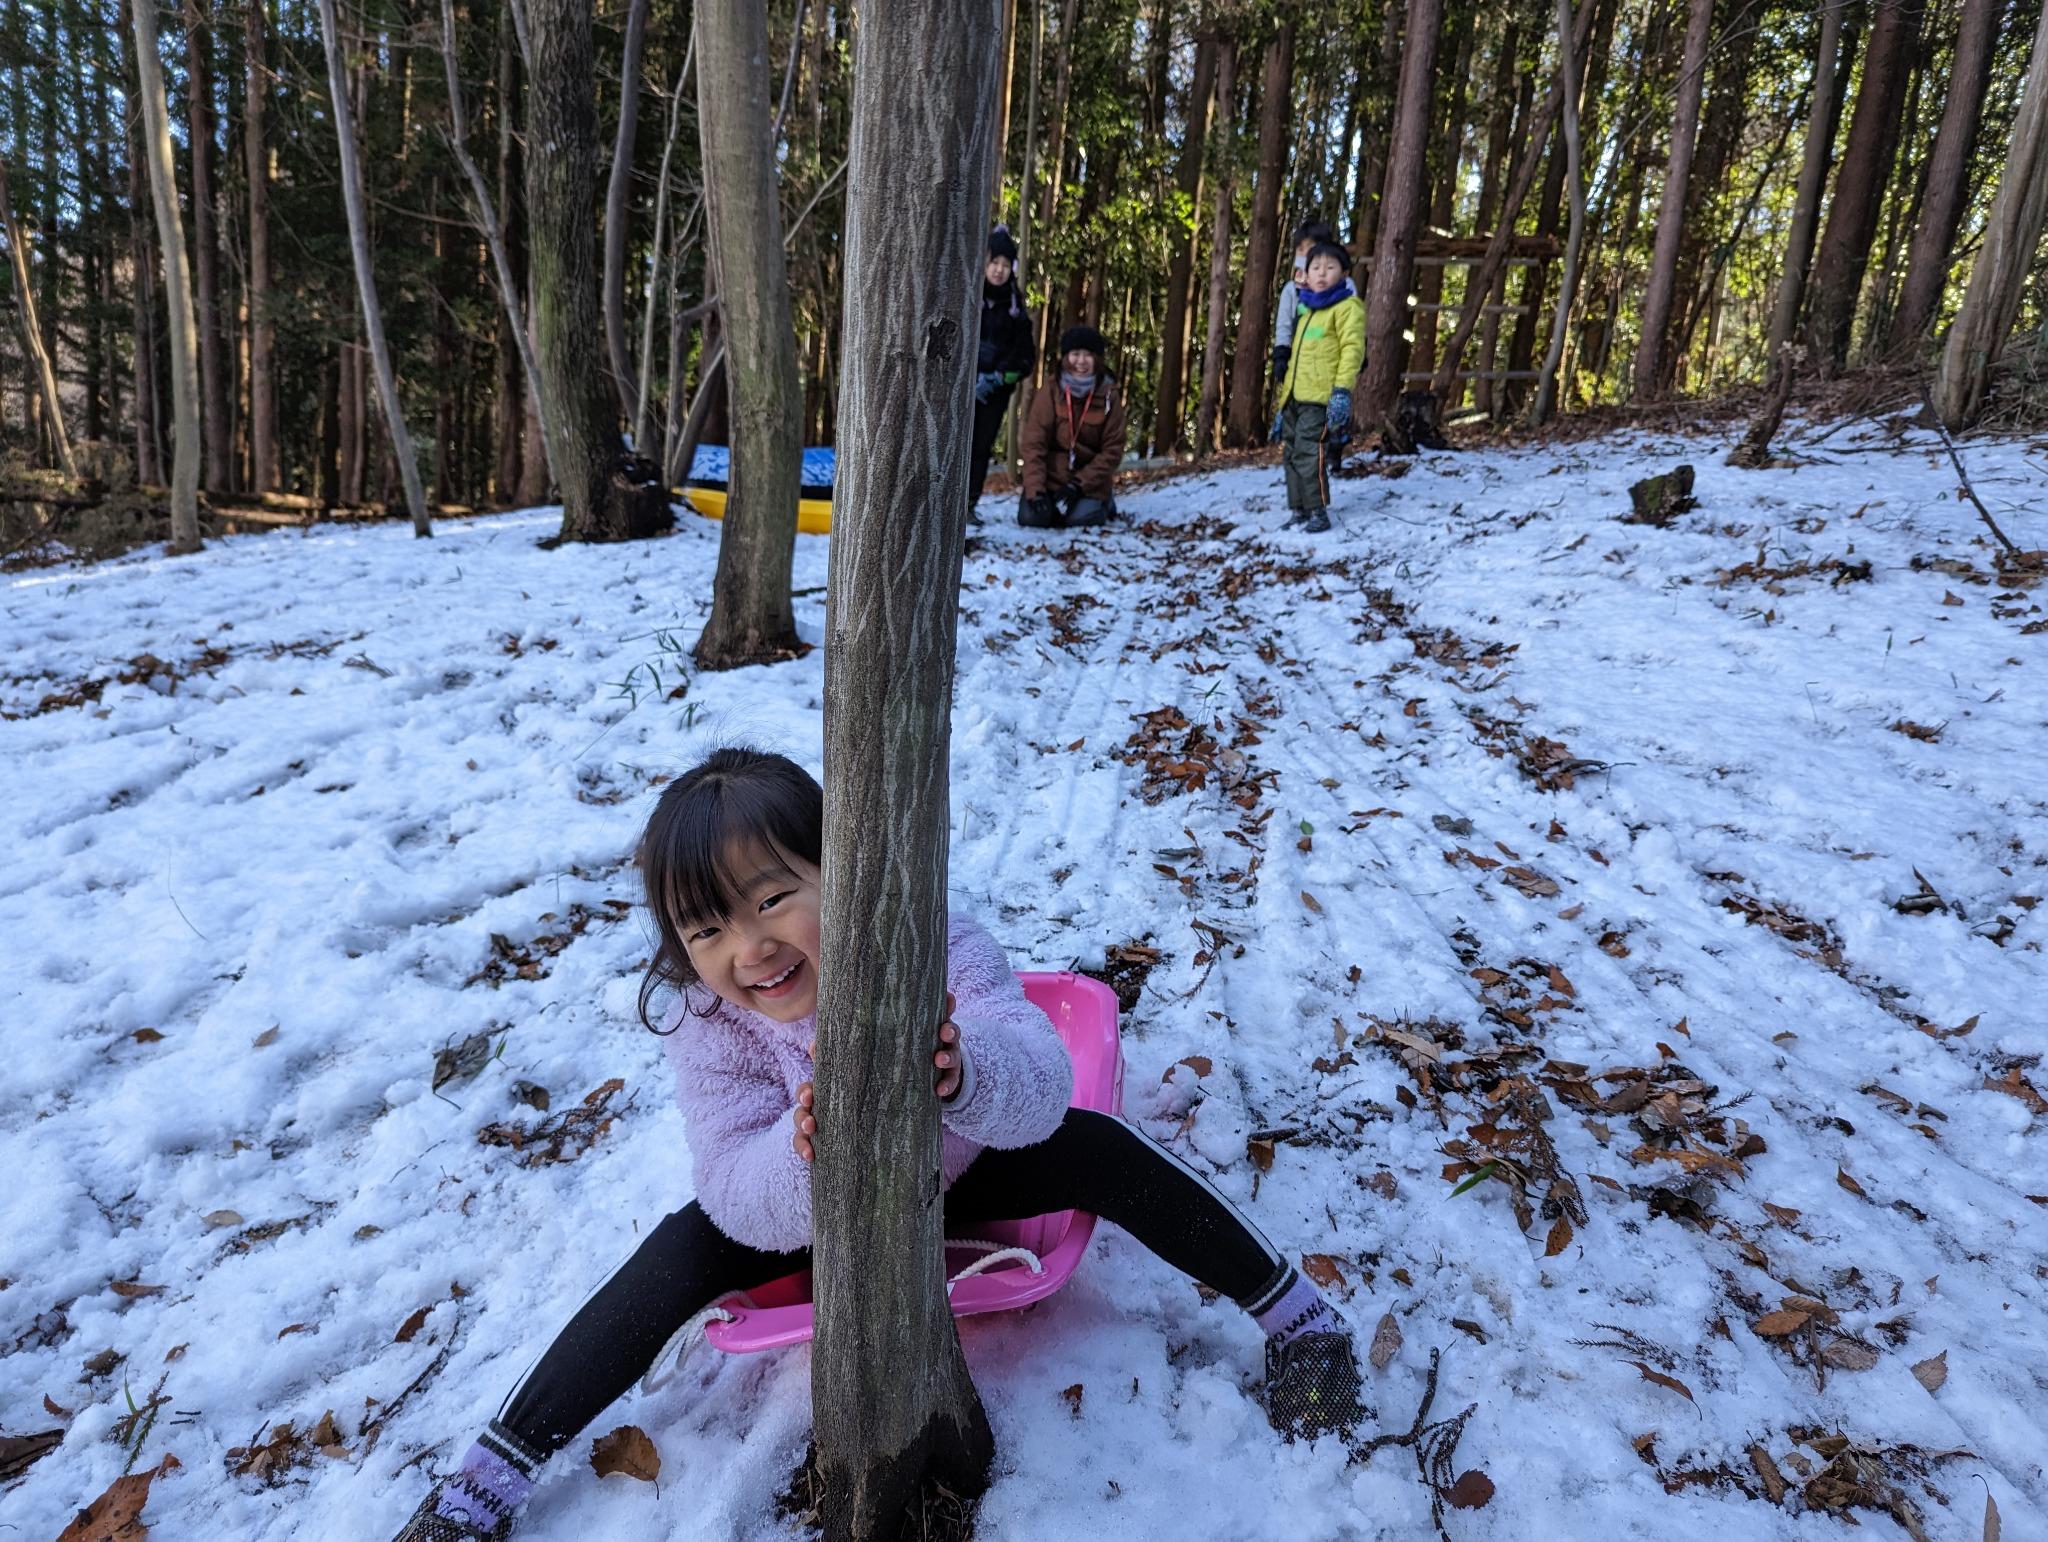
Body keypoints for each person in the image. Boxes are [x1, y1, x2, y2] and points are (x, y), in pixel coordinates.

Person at [395, 747, 1372, 1540]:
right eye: (707, 929)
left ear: (847, 871)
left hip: (964, 1162)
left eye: (773, 898)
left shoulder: (933, 939)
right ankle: (487, 1477)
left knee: (1096, 1147)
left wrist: (962, 1074)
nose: (749, 949)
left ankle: (1295, 1318)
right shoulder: (711, 1021)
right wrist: (801, 1150)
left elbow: (1034, 1079)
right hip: (816, 1196)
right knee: (677, 1247)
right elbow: (736, 1182)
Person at [1270, 241, 1364, 535]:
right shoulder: (1307, 310)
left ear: (1344, 273)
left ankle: (1318, 511)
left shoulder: (1348, 308)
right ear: (1305, 275)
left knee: (1310, 453)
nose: (1322, 273)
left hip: (1321, 398)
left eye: (1330, 267)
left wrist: (1341, 392)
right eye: (1315, 268)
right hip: (1296, 398)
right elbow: (1297, 359)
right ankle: (1298, 508)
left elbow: (1352, 350)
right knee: (1291, 453)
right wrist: (1282, 406)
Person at [1017, 324, 1126, 529]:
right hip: (1050, 478)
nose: (1081, 361)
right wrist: (1036, 489)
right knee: (1032, 518)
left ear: (1097, 359)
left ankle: (1104, 501)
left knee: (1079, 520)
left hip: (1088, 482)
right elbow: (1034, 444)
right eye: (1075, 354)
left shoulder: (1109, 394)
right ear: (1066, 357)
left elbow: (1113, 449)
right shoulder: (1051, 389)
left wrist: (1079, 485)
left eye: (1088, 355)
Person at [969, 226, 1036, 524]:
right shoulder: (968, 298)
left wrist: (997, 378)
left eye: (1005, 265)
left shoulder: (1015, 307)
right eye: (994, 263)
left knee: (980, 448)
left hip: (993, 394)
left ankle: (968, 504)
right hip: (960, 390)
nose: (998, 270)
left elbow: (1025, 358)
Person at [1269, 219, 1337, 389]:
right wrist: (1281, 356)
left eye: (1310, 248)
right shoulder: (1292, 289)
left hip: (1331, 368)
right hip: (1298, 367)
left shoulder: (1342, 287)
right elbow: (1283, 326)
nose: (1305, 254)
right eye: (1300, 249)